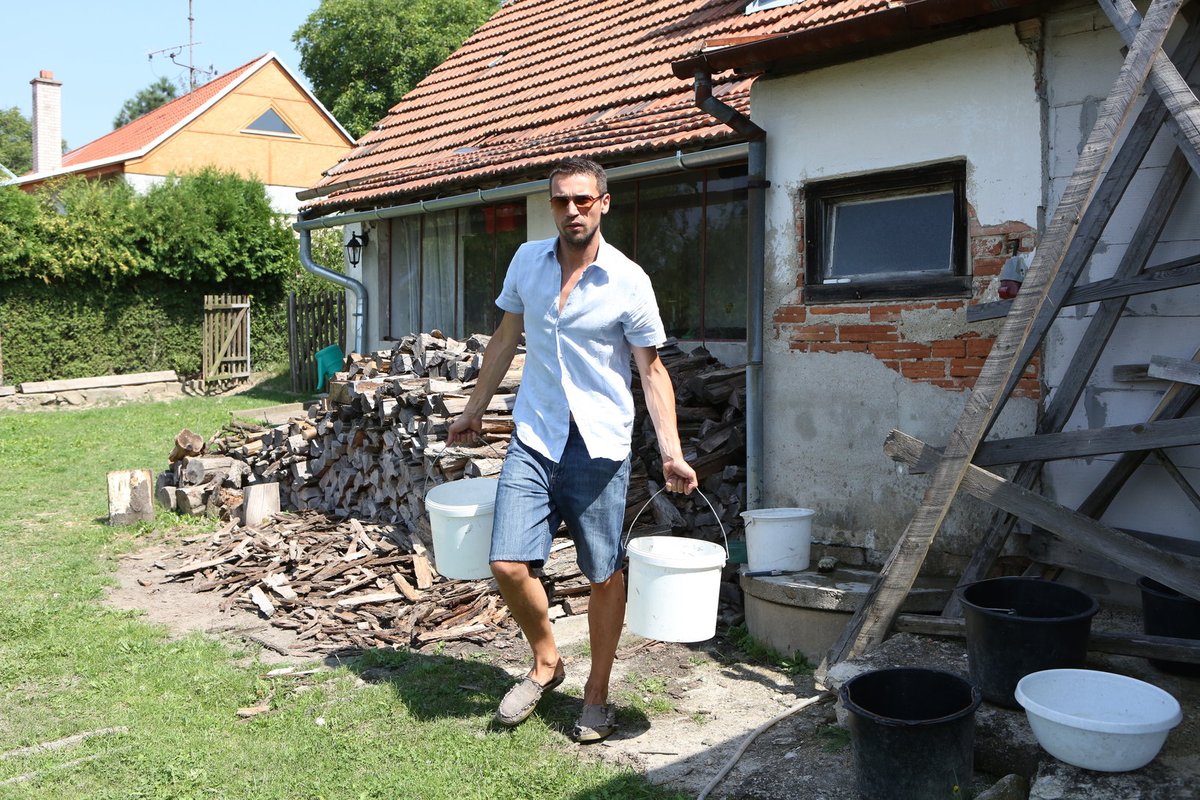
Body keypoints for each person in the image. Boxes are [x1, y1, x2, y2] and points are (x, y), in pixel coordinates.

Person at [446, 157, 698, 743]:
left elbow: (652, 371)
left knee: (603, 573)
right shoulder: (526, 262)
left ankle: (598, 691)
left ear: (604, 203)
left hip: (600, 444)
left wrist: (672, 451)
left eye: (583, 199)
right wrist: (475, 409)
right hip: (534, 435)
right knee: (507, 563)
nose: (572, 210)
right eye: (562, 200)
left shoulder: (629, 280)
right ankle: (547, 662)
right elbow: (507, 337)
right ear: (551, 204)